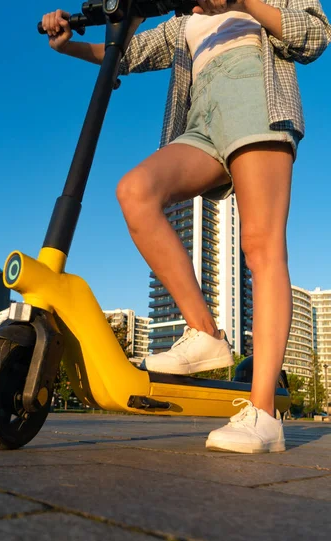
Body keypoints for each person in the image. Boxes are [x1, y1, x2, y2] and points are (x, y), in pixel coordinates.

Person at [41, 1, 331, 453]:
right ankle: (206, 334)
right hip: (200, 122)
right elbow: (128, 52)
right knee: (135, 192)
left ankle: (264, 415)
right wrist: (68, 45)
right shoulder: (184, 22)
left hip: (255, 98)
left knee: (261, 246)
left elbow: (313, 34)